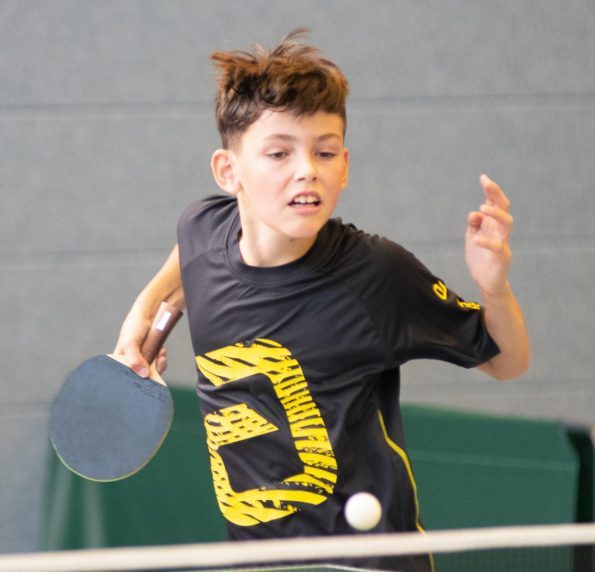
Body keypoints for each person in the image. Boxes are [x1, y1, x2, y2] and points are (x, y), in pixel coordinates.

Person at [113, 29, 530, 571]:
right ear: (228, 173)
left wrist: (494, 287)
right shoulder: (203, 229)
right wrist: (139, 324)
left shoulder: (376, 275)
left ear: (345, 166)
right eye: (279, 153)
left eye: (324, 151)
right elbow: (180, 274)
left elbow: (507, 361)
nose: (307, 168)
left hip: (366, 563)